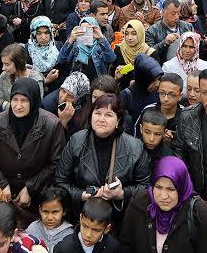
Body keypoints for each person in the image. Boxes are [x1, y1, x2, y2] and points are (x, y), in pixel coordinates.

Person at [119, 155, 207, 253]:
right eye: (158, 187)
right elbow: (127, 250)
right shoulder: (139, 204)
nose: (163, 196)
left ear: (182, 186)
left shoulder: (201, 214)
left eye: (171, 189)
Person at [0, 78, 67, 215]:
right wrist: (1, 183)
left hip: (39, 196)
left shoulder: (52, 125)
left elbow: (57, 163)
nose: (18, 106)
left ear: (34, 100)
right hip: (2, 195)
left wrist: (30, 188)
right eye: (15, 100)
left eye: (24, 101)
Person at [54, 93, 151, 222]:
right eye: (97, 113)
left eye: (108, 115)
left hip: (120, 218)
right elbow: (60, 181)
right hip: (83, 215)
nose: (101, 119)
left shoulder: (134, 147)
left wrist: (122, 194)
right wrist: (80, 195)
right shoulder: (77, 141)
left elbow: (145, 186)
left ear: (118, 120)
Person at [52, 196, 120, 253]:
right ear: (80, 218)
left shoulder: (113, 249)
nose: (88, 235)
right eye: (85, 226)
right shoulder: (63, 248)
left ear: (106, 229)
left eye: (96, 230)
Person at [25, 186, 73, 253]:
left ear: (64, 211)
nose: (50, 218)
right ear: (40, 209)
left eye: (55, 212)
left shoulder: (70, 235)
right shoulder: (32, 229)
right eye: (45, 211)